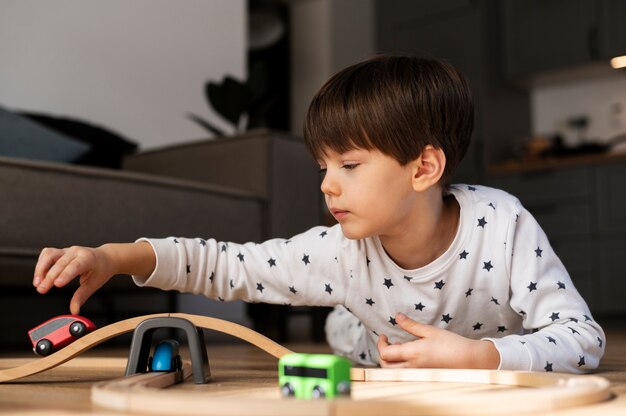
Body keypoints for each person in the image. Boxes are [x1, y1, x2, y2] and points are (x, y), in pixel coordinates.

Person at [32, 55, 604, 373]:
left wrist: (480, 357)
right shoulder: (338, 250)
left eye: (349, 164)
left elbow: (582, 339)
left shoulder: (503, 226)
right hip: (366, 336)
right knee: (347, 331)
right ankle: (344, 319)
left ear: (423, 167)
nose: (327, 185)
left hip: (477, 352)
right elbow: (225, 265)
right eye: (322, 167)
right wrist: (112, 257)